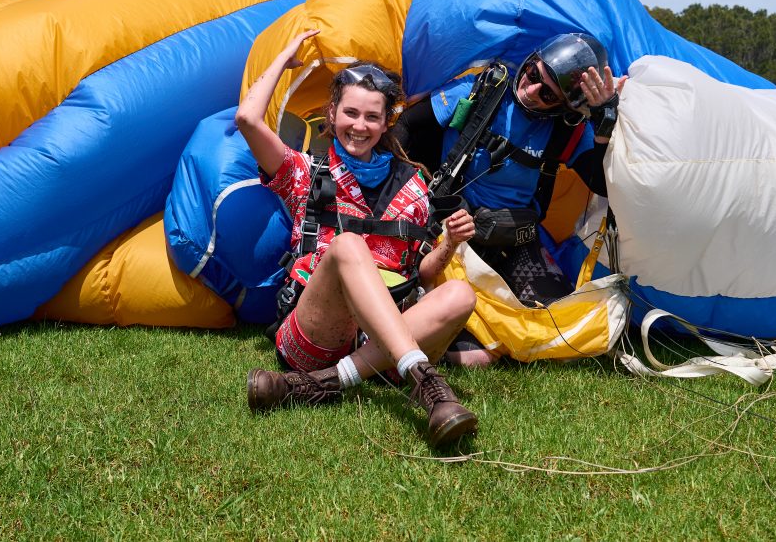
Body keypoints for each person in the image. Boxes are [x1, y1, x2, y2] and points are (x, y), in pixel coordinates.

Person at [236, 29, 480, 447]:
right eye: (350, 113)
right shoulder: (304, 173)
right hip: (314, 335)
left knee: (460, 294)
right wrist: (283, 60)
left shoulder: (414, 186)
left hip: (378, 345)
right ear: (332, 114)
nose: (359, 126)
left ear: (387, 122)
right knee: (348, 245)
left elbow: (420, 273)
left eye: (371, 117)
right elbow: (247, 120)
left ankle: (324, 383)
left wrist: (450, 245)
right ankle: (427, 384)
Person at [393, 33, 625, 366]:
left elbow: (600, 184)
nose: (531, 89)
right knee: (473, 350)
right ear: (530, 61)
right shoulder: (482, 91)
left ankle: (486, 339)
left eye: (547, 93)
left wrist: (604, 128)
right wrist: (399, 191)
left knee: (561, 326)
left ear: (562, 105)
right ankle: (461, 338)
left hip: (513, 238)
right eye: (533, 73)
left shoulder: (565, 129)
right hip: (454, 230)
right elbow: (407, 125)